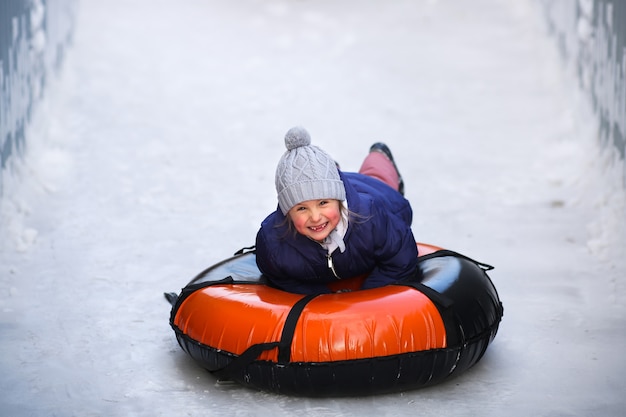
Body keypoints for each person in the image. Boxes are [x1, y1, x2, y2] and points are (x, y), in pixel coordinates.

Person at [255, 126, 419, 294]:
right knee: (321, 185)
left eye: (323, 203)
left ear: (339, 200)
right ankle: (330, 172)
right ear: (287, 212)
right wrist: (322, 298)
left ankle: (379, 155)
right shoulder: (273, 242)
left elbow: (400, 260)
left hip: (371, 189)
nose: (315, 217)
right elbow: (279, 277)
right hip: (333, 188)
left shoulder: (372, 216)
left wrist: (365, 298)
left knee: (376, 177)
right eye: (302, 208)